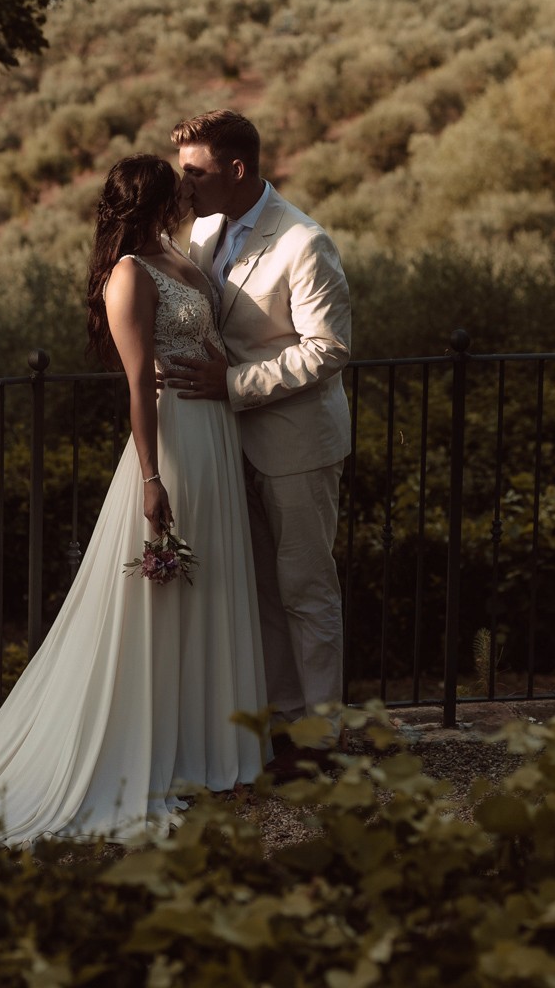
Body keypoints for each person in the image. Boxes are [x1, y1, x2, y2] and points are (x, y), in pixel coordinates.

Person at [0, 154, 266, 845]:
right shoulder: (129, 275)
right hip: (176, 447)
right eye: (177, 186)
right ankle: (139, 756)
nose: (188, 193)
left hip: (214, 433)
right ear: (156, 199)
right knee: (158, 601)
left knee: (206, 590)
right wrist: (152, 480)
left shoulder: (180, 257)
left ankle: (207, 754)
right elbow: (137, 388)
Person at [165, 111, 351, 769]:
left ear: (237, 169)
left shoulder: (304, 241)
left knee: (305, 588)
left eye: (196, 172)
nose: (183, 185)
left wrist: (233, 383)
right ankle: (280, 727)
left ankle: (321, 741)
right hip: (222, 444)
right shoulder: (203, 230)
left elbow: (328, 349)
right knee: (259, 593)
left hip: (296, 444)